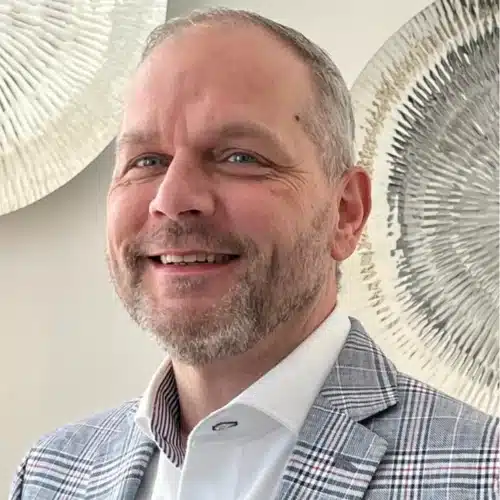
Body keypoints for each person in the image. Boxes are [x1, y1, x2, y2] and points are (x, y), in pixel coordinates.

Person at [10, 7, 499, 500]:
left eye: (240, 157)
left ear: (346, 212)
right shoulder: (50, 474)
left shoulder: (483, 474)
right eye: (147, 160)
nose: (172, 199)